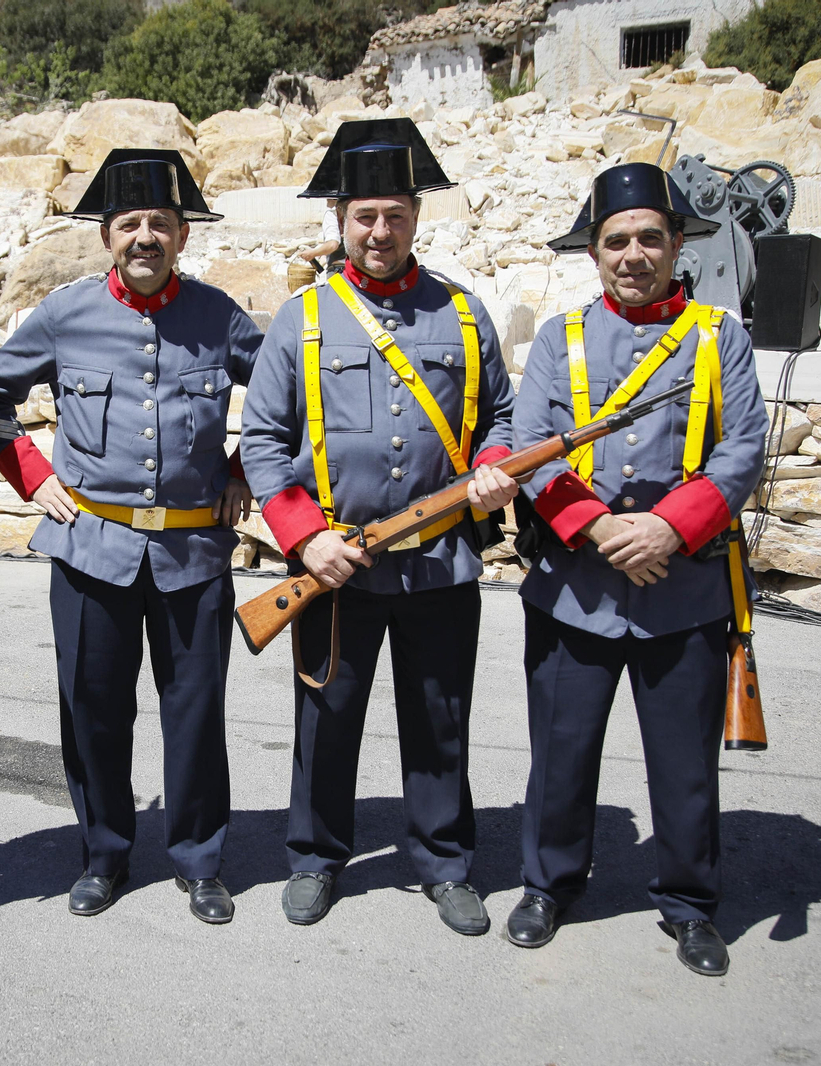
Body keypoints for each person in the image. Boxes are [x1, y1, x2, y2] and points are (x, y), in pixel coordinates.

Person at [238, 119, 518, 935]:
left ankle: (443, 861)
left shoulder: (464, 314)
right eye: (364, 217)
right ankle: (317, 859)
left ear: (415, 219)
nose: (379, 232)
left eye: (394, 215)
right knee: (325, 720)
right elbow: (260, 440)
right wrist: (304, 537)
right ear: (339, 220)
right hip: (335, 565)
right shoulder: (303, 319)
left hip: (438, 565)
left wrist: (497, 464)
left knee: (439, 717)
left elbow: (500, 414)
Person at [0, 149, 262, 924]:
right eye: (130, 224)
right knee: (93, 711)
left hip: (192, 553)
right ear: (106, 236)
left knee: (196, 713)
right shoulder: (64, 314)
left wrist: (243, 467)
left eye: (161, 224)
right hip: (90, 550)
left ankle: (200, 859)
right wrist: (32, 474)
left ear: (183, 237)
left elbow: (287, 399)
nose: (146, 237)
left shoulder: (218, 315)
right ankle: (103, 855)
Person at [505, 162, 767, 976]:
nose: (633, 254)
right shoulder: (560, 338)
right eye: (616, 240)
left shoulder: (720, 336)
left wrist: (666, 528)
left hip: (681, 589)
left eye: (650, 237)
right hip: (576, 587)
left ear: (678, 244)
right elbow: (529, 449)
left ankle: (690, 904)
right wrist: (596, 526)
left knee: (685, 765)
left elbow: (742, 450)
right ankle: (549, 883)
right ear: (594, 251)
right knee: (561, 753)